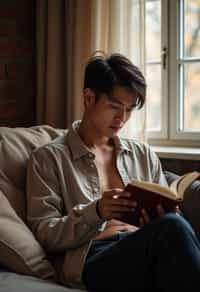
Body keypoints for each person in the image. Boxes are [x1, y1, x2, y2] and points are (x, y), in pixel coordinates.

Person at [26, 52, 200, 291]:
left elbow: (171, 215)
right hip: (94, 256)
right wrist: (96, 211)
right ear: (89, 98)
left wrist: (163, 212)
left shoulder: (142, 154)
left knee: (172, 226)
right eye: (115, 107)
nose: (122, 118)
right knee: (172, 229)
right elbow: (45, 233)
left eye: (129, 110)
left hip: (146, 243)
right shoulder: (48, 159)